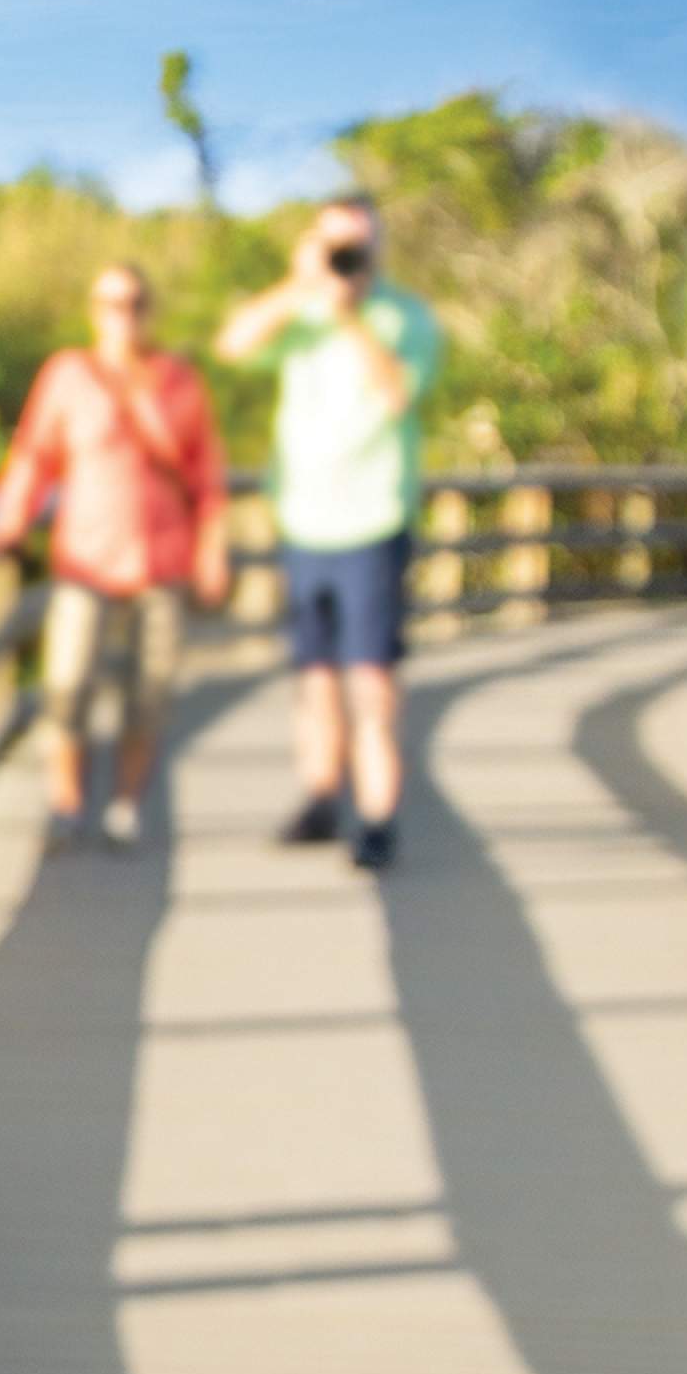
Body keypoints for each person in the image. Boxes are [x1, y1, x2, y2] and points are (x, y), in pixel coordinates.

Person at [216, 194, 443, 870]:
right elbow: (233, 345)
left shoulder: (406, 318)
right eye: (335, 243)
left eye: (357, 246)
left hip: (372, 523)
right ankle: (320, 797)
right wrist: (298, 285)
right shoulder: (300, 310)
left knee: (369, 680)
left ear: (380, 247)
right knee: (313, 677)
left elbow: (399, 394)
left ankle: (377, 818)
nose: (347, 258)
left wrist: (351, 320)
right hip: (304, 523)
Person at [0, 261, 229, 847]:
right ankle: (66, 804)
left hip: (162, 559)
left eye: (135, 303)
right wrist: (10, 520)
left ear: (151, 309)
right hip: (86, 558)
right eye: (110, 304)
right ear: (94, 311)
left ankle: (126, 804)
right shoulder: (69, 375)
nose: (123, 316)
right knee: (67, 685)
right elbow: (34, 454)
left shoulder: (178, 381)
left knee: (151, 692)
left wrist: (213, 552)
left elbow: (207, 477)